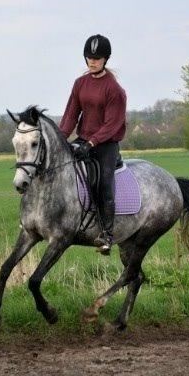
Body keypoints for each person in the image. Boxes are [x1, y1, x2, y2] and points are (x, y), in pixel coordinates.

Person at [59, 34, 127, 255]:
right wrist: (61, 138)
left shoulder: (114, 89)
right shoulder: (80, 84)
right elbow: (71, 114)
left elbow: (112, 124)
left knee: (103, 184)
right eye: (89, 57)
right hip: (84, 140)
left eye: (97, 58)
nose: (92, 61)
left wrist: (91, 142)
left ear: (106, 59)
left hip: (106, 144)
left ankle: (107, 234)